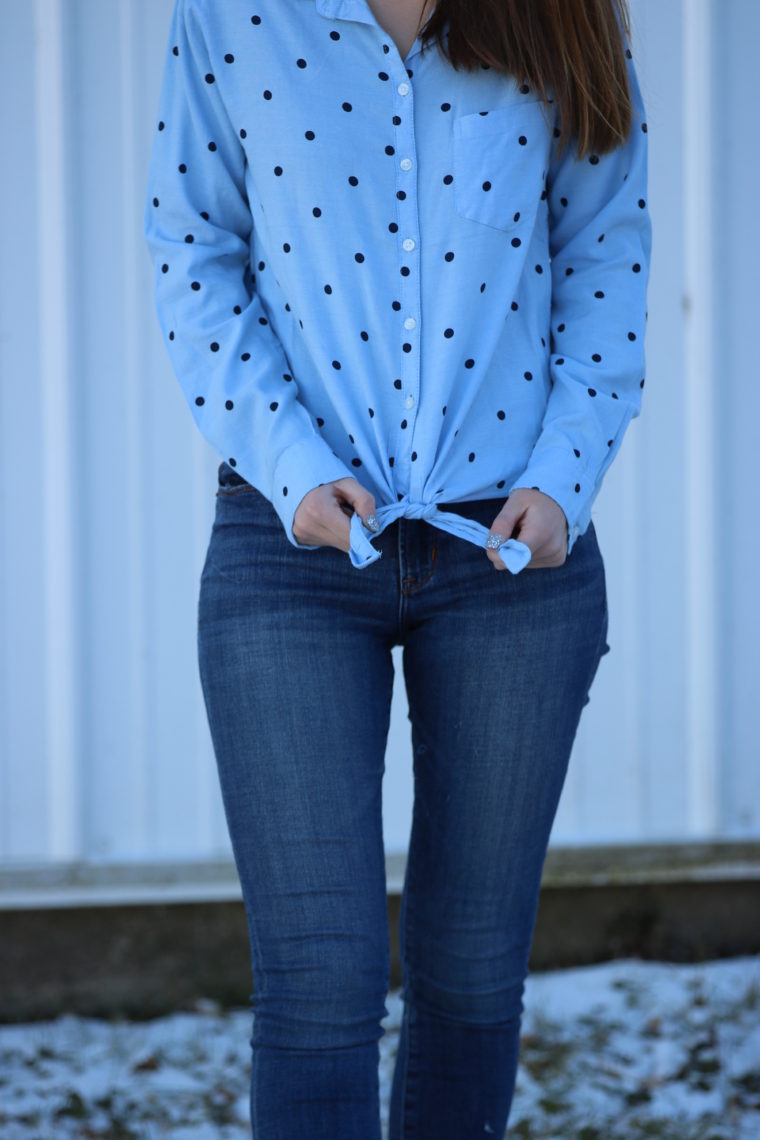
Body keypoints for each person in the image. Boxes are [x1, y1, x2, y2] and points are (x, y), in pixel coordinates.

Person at [144, 0, 651, 1135]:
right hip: (291, 553)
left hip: (515, 559)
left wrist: (566, 477)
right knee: (320, 991)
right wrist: (287, 461)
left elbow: (606, 251)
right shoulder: (232, 16)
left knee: (471, 979)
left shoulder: (563, 12)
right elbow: (194, 250)